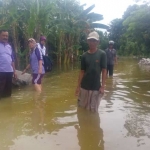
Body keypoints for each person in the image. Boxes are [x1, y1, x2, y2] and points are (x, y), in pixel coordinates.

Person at [75, 31, 107, 112]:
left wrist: (103, 86)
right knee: (82, 108)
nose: (92, 42)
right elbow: (82, 71)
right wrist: (78, 87)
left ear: (98, 42)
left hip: (96, 87)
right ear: (87, 41)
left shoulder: (102, 54)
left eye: (94, 40)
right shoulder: (84, 56)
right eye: (90, 40)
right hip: (84, 87)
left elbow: (104, 70)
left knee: (93, 110)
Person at [0, 30, 17, 98]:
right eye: (3, 35)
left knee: (8, 92)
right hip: (1, 72)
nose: (5, 37)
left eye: (6, 36)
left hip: (9, 71)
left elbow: (12, 60)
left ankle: (8, 105)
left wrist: (14, 71)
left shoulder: (9, 46)